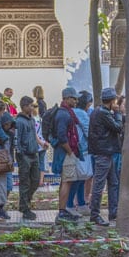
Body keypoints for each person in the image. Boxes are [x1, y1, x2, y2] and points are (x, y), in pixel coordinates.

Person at [88, 87, 125, 226]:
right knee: (99, 185)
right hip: (104, 153)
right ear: (112, 100)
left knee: (113, 183)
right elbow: (118, 127)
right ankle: (95, 215)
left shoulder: (98, 111)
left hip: (106, 153)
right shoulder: (104, 113)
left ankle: (113, 212)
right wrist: (118, 113)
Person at [50, 87, 83, 221]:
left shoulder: (65, 113)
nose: (76, 101)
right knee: (67, 182)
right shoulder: (64, 114)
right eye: (73, 98)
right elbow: (62, 137)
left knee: (66, 181)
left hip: (65, 152)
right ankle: (62, 211)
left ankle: (63, 209)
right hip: (65, 153)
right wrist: (70, 153)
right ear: (66, 98)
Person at [66, 90, 93, 216]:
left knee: (80, 177)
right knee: (79, 178)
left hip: (73, 148)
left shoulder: (71, 111)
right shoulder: (81, 113)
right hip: (82, 149)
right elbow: (88, 131)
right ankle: (71, 204)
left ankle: (81, 203)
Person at [15, 96, 40, 220]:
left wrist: (40, 144)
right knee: (25, 182)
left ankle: (27, 200)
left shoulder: (31, 119)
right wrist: (20, 154)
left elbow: (34, 134)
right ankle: (24, 208)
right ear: (24, 107)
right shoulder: (19, 121)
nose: (32, 107)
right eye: (30, 105)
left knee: (35, 181)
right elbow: (17, 139)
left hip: (34, 154)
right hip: (24, 155)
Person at [0, 111, 16, 219]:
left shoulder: (11, 134)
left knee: (9, 186)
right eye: (6, 124)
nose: (8, 126)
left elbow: (11, 148)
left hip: (8, 162)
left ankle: (1, 206)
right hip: (0, 162)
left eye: (9, 124)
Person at [33, 103, 50, 187]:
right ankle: (41, 180)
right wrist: (45, 142)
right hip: (43, 144)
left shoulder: (31, 120)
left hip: (35, 144)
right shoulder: (40, 119)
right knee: (41, 162)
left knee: (35, 163)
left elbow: (34, 133)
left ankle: (35, 180)